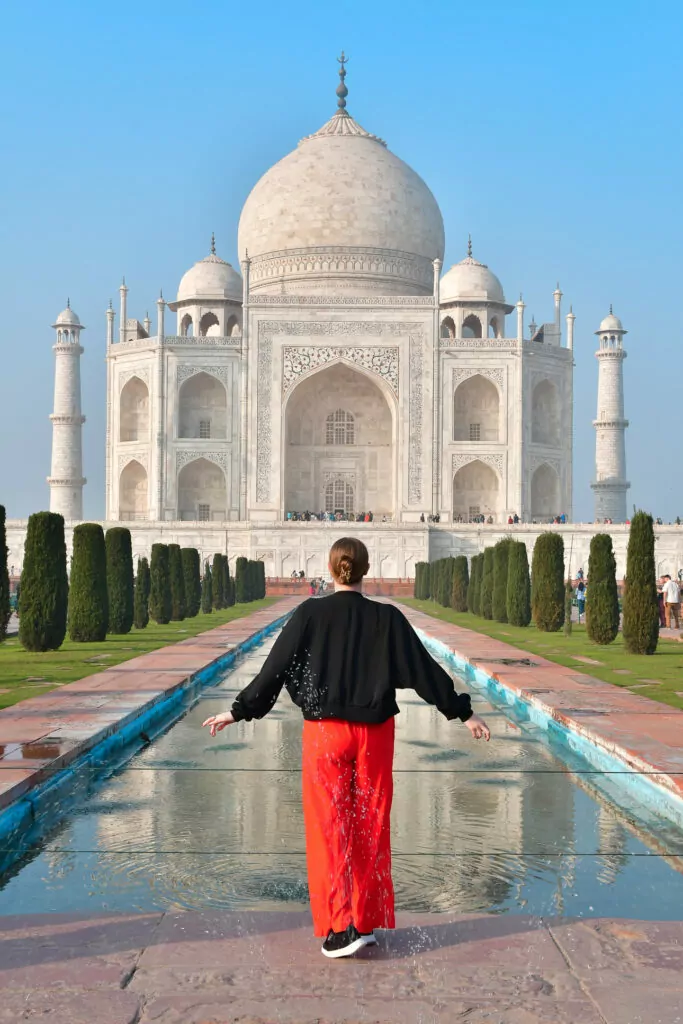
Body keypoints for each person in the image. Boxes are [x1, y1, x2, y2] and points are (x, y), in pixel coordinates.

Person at [202, 537, 490, 959]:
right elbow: (425, 671)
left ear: (331, 569)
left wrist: (239, 711)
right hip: (375, 734)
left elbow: (275, 668)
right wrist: (463, 713)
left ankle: (340, 929)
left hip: (326, 733)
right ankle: (364, 921)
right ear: (366, 569)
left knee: (329, 828)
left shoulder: (310, 613)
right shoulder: (386, 618)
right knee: (371, 825)